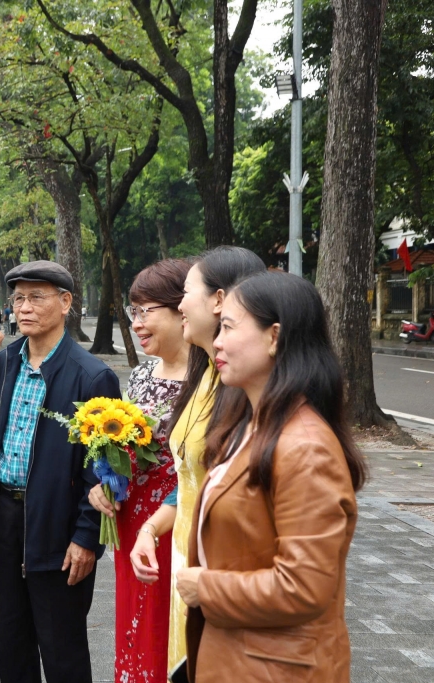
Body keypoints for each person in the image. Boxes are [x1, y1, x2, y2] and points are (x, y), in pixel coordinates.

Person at [177, 272, 366, 682]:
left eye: (228, 327)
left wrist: (205, 588)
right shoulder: (250, 423)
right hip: (237, 657)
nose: (218, 341)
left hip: (277, 668)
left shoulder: (306, 447)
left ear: (274, 336)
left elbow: (302, 586)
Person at [0, 260, 121, 683]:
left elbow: (105, 472)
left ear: (65, 303)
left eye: (36, 297)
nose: (25, 307)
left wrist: (86, 538)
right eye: (19, 298)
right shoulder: (7, 362)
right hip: (8, 515)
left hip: (60, 525)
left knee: (62, 646)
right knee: (13, 637)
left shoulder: (93, 376)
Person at [126, 246, 264, 679]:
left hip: (222, 576)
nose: (181, 304)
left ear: (220, 300)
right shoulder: (208, 376)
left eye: (185, 293)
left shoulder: (243, 388)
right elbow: (192, 479)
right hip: (187, 558)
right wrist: (149, 527)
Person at [88, 259, 190, 683]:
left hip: (173, 519)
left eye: (147, 310)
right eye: (134, 311)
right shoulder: (144, 373)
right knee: (131, 619)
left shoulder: (208, 381)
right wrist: (103, 483)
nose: (137, 323)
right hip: (130, 518)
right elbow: (123, 443)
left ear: (183, 310)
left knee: (167, 625)